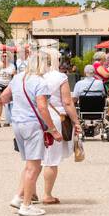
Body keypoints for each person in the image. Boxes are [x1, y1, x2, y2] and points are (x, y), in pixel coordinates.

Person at [1, 53, 57, 216]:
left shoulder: (18, 77)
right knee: (34, 166)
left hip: (18, 123)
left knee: (30, 164)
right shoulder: (40, 82)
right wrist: (52, 129)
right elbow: (42, 107)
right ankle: (26, 205)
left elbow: (4, 96)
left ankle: (19, 197)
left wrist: (18, 105)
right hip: (32, 124)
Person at [40, 53, 81, 203]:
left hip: (34, 119)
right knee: (51, 159)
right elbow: (67, 102)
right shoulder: (59, 77)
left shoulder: (30, 77)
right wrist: (76, 122)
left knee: (34, 159)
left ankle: (27, 191)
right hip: (53, 119)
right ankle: (47, 194)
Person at [0, 54, 15, 126]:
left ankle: (8, 121)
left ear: (9, 57)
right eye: (3, 56)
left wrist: (13, 74)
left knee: (8, 103)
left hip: (8, 86)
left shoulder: (12, 66)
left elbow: (14, 75)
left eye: (6, 56)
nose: (4, 57)